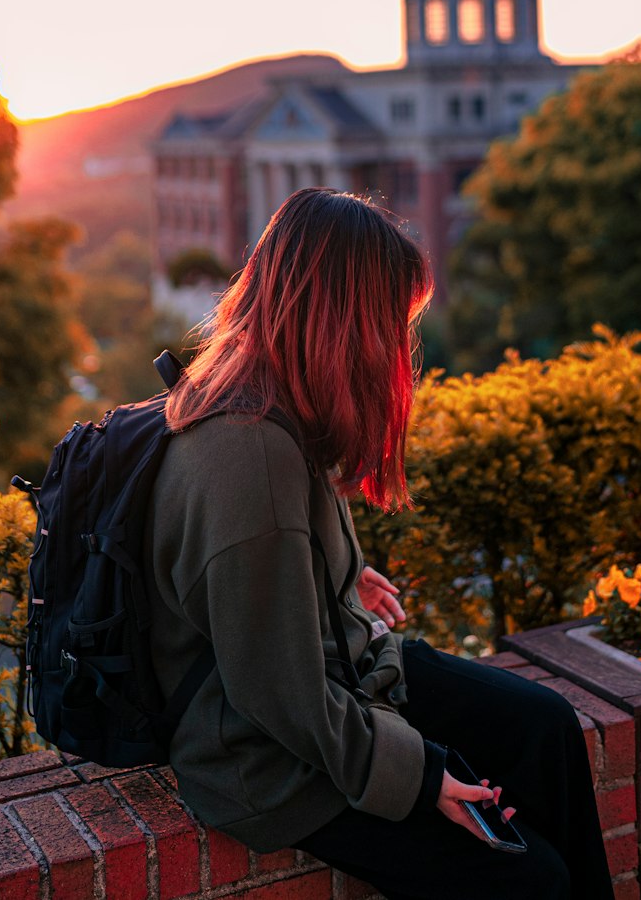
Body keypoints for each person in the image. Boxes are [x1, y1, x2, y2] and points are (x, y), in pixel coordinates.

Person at [145, 188, 613, 899]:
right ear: (346, 319)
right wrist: (424, 780)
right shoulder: (245, 449)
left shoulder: (258, 392)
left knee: (543, 727)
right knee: (532, 881)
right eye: (394, 320)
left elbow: (262, 562)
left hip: (338, 672)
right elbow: (279, 693)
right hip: (263, 758)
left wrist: (337, 574)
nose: (400, 343)